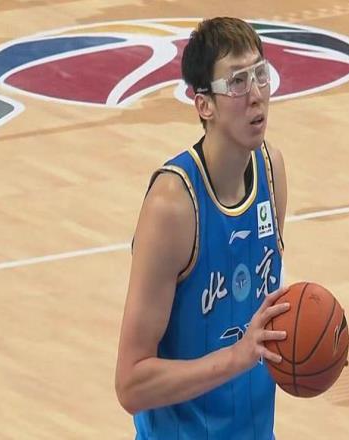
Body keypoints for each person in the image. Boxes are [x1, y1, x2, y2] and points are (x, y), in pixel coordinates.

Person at [115, 17, 289, 440]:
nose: (255, 95)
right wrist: (238, 357)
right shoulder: (172, 206)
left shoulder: (271, 170)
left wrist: (311, 345)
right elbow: (131, 384)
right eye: (237, 82)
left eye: (260, 75)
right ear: (204, 105)